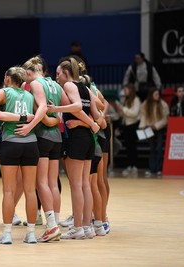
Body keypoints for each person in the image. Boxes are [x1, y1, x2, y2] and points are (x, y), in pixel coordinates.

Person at [0, 67, 45, 244]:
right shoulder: (30, 96)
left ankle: (7, 234)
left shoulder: (4, 92)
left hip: (11, 142)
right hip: (31, 143)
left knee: (9, 190)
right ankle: (31, 234)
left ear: (8, 78)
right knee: (30, 190)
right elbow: (41, 113)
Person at [47, 57, 101, 240]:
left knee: (77, 185)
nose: (57, 78)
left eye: (58, 74)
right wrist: (89, 124)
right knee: (85, 184)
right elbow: (98, 116)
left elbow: (77, 106)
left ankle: (77, 227)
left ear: (66, 72)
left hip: (77, 139)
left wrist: (57, 107)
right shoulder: (86, 88)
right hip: (87, 139)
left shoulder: (70, 86)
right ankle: (87, 227)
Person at [22, 56, 64, 242]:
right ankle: (55, 221)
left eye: (26, 77)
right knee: (52, 182)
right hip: (57, 137)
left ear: (30, 73)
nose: (25, 81)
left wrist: (29, 127)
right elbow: (63, 109)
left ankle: (51, 225)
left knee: (41, 183)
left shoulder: (36, 84)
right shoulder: (55, 84)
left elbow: (41, 109)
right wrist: (55, 119)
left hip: (42, 137)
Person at [139, 88, 169, 177]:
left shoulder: (163, 104)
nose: (157, 96)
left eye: (158, 94)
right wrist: (143, 126)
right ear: (151, 95)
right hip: (149, 128)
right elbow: (143, 116)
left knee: (159, 148)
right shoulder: (145, 104)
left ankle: (159, 169)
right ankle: (152, 169)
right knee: (152, 149)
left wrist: (156, 125)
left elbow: (165, 119)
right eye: (155, 94)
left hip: (159, 129)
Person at [114, 84, 141, 176]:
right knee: (128, 147)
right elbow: (124, 114)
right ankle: (129, 165)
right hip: (126, 125)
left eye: (126, 89)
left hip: (133, 125)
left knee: (133, 147)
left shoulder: (136, 99)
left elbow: (134, 113)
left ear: (131, 90)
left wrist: (123, 109)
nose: (125, 91)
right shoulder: (126, 100)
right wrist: (119, 110)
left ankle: (134, 166)